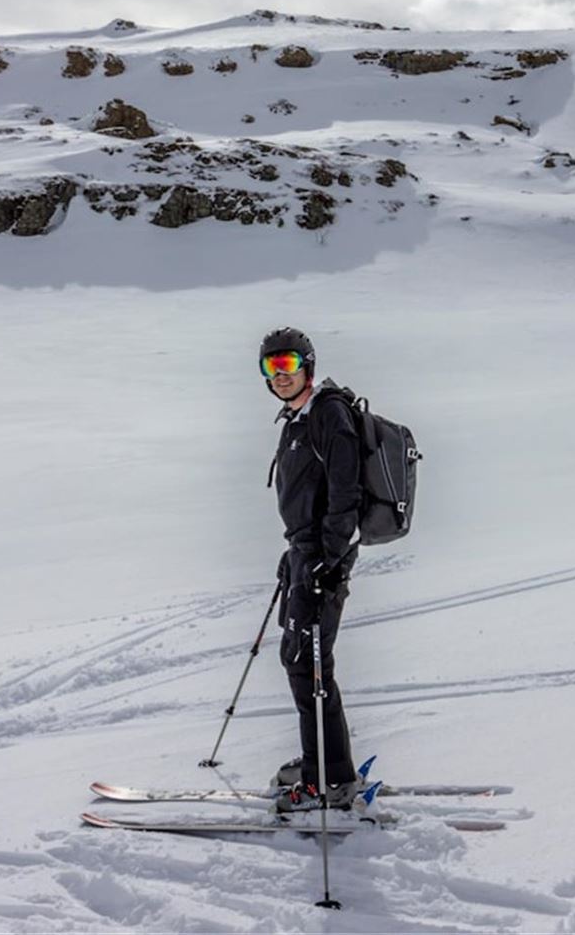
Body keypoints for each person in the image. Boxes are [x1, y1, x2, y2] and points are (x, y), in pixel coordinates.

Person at [259, 326, 362, 812]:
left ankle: (332, 782)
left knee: (311, 667)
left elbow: (346, 493)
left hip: (324, 560)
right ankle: (318, 761)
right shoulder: (296, 419)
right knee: (297, 660)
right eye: (271, 367)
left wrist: (327, 556)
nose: (280, 375)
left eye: (287, 365)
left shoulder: (329, 414)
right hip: (304, 554)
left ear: (307, 366)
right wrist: (296, 551)